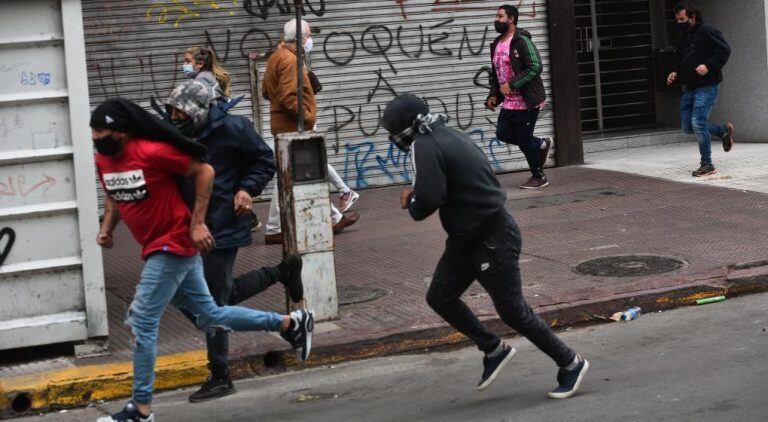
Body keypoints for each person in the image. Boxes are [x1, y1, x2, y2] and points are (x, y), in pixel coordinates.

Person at [91, 98, 314, 422]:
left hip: (173, 244)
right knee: (210, 315)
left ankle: (140, 409)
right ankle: (290, 324)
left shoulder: (151, 151)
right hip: (157, 246)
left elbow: (205, 171)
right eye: (93, 131)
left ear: (122, 132)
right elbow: (113, 194)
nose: (96, 136)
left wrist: (196, 223)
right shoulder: (104, 160)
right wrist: (107, 228)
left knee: (142, 321)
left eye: (102, 130)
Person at [382, 93, 588, 398]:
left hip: (491, 238)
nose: (392, 138)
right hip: (468, 238)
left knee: (513, 312)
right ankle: (493, 348)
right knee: (440, 296)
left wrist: (411, 200)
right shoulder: (448, 133)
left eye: (392, 131)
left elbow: (428, 200)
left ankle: (570, 362)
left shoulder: (424, 145)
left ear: (405, 126)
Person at [163, 80, 306, 403]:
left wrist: (247, 189)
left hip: (222, 225)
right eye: (171, 111)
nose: (173, 117)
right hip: (184, 227)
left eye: (180, 112)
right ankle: (281, 273)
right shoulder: (172, 131)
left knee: (212, 301)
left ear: (199, 111)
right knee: (200, 296)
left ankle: (220, 375)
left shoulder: (234, 128)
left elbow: (264, 161)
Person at [262, 19, 359, 245]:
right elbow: (287, 97)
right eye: (309, 35)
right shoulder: (289, 61)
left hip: (284, 127)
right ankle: (275, 228)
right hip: (294, 129)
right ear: (301, 38)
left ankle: (331, 218)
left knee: (301, 175)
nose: (310, 39)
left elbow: (267, 92)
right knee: (299, 175)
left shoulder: (276, 57)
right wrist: (307, 116)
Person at [486, 4, 552, 190]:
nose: (496, 20)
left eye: (500, 16)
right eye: (496, 16)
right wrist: (493, 95)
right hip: (509, 102)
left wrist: (512, 84)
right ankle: (540, 144)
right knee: (503, 133)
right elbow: (496, 73)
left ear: (511, 19)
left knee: (523, 139)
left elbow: (535, 67)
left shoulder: (522, 41)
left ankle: (539, 176)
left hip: (527, 100)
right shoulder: (496, 44)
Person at [667, 1, 734, 177]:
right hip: (689, 87)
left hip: (707, 86)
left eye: (682, 19)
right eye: (677, 19)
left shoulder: (707, 31)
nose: (679, 22)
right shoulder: (684, 34)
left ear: (692, 17)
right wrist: (675, 71)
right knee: (688, 126)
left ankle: (707, 165)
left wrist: (708, 65)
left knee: (697, 122)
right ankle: (723, 131)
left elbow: (724, 50)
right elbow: (681, 55)